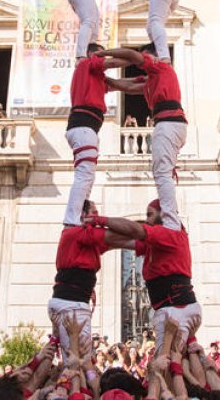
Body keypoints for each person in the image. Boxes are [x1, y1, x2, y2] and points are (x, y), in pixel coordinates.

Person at [86, 198, 201, 350]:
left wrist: (98, 220)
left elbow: (135, 230)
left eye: (149, 215)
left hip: (174, 309)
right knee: (183, 361)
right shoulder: (159, 243)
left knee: (163, 365)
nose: (146, 221)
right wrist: (96, 241)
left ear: (163, 215)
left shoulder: (168, 234)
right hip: (177, 307)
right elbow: (121, 242)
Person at [100, 47, 186, 229]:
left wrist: (101, 56)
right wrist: (106, 81)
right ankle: (171, 217)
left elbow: (132, 56)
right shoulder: (153, 80)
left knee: (162, 173)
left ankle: (171, 221)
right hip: (172, 123)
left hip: (168, 122)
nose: (142, 63)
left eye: (146, 57)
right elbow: (130, 86)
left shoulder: (161, 67)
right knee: (162, 172)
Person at [50, 199, 129, 364]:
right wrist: (143, 235)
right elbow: (117, 236)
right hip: (71, 303)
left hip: (75, 302)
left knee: (80, 357)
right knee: (75, 359)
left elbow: (116, 242)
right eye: (94, 213)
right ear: (82, 216)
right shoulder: (77, 233)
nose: (97, 217)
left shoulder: (87, 242)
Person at [63, 43, 127, 226]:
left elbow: (123, 85)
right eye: (100, 55)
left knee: (88, 175)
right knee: (84, 175)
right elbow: (115, 63)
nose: (103, 59)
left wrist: (146, 80)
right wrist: (137, 58)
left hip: (85, 128)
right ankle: (72, 219)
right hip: (83, 126)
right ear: (91, 54)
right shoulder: (86, 65)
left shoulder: (96, 77)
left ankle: (80, 214)